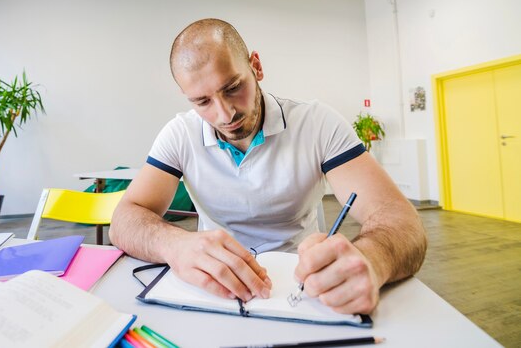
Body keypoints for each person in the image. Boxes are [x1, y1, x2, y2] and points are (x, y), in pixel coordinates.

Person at [109, 18, 427, 314]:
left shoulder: (318, 124)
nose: (224, 114)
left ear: (256, 67)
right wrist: (174, 244)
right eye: (202, 101)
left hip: (304, 285)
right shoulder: (180, 133)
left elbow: (400, 221)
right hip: (215, 285)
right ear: (187, 97)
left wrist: (371, 259)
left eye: (233, 87)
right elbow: (125, 219)